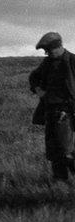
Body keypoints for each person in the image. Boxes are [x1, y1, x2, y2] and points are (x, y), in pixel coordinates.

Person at [28, 32, 75, 182]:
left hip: (67, 112)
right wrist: (38, 90)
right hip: (50, 111)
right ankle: (59, 182)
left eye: (48, 50)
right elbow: (33, 77)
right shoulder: (47, 62)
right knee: (53, 151)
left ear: (58, 46)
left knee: (65, 150)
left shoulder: (72, 60)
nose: (47, 53)